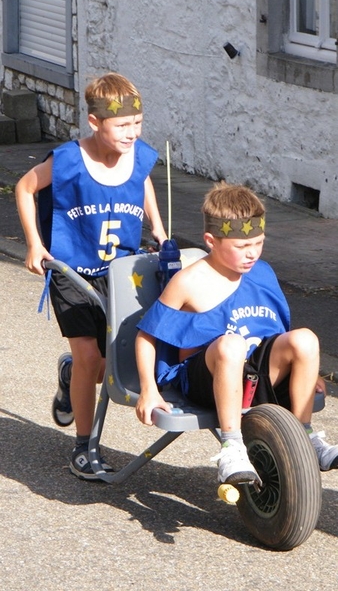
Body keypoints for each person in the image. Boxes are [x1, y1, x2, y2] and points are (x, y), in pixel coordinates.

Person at [16, 72, 167, 480]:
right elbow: (25, 187)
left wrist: (158, 226)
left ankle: (70, 376)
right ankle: (84, 446)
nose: (131, 133)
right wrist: (34, 244)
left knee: (110, 365)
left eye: (137, 124)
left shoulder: (138, 154)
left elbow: (144, 182)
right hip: (73, 271)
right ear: (95, 122)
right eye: (122, 125)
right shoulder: (67, 160)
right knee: (89, 356)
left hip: (121, 273)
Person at [135, 181, 338, 485]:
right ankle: (232, 445)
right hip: (206, 378)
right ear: (210, 241)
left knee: (305, 338)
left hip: (253, 376)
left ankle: (304, 434)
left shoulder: (263, 272)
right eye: (242, 247)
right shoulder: (189, 281)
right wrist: (148, 389)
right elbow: (147, 336)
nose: (252, 253)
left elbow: (277, 332)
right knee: (231, 345)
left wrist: (304, 367)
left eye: (258, 243)